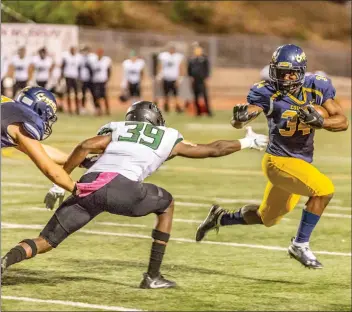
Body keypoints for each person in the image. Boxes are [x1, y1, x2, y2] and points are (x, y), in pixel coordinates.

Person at [1, 101, 268, 288]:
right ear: (155, 121)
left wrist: (61, 183)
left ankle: (6, 260)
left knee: (47, 239)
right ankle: (152, 276)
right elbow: (214, 149)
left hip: (89, 186)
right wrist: (247, 141)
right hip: (122, 188)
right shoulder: (166, 135)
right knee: (167, 204)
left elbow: (84, 147)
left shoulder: (117, 128)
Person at [195, 44, 349, 269]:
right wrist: (239, 119)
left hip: (300, 162)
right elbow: (247, 114)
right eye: (280, 71)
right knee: (324, 190)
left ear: (301, 71)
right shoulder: (266, 91)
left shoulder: (317, 85)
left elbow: (342, 121)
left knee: (266, 218)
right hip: (278, 161)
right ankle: (300, 245)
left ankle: (220, 218)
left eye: (290, 72)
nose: (285, 77)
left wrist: (321, 122)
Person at [157, 44, 185, 113]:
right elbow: (160, 66)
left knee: (176, 95)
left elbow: (181, 67)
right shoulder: (164, 56)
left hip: (174, 78)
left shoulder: (178, 57)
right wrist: (159, 76)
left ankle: (177, 107)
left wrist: (180, 78)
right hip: (166, 78)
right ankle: (166, 107)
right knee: (165, 94)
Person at [187, 44, 212, 116]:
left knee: (204, 95)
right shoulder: (192, 60)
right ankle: (198, 111)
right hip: (195, 80)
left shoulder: (204, 59)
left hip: (202, 80)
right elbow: (189, 70)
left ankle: (208, 111)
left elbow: (207, 69)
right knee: (195, 96)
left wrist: (206, 78)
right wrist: (191, 78)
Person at [91, 48, 112, 115]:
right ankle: (99, 109)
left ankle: (107, 110)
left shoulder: (106, 60)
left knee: (104, 96)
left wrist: (108, 79)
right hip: (96, 80)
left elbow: (109, 70)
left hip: (103, 80)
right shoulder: (93, 61)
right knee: (96, 96)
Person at [61, 47, 80, 115]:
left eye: (74, 50)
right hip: (68, 76)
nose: (73, 51)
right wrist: (62, 75)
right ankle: (69, 108)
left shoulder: (78, 57)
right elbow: (63, 66)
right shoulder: (66, 57)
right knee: (68, 93)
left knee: (76, 93)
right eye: (71, 50)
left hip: (75, 76)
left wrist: (79, 76)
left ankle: (77, 108)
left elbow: (79, 67)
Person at [79, 45, 96, 113]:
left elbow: (93, 68)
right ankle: (83, 108)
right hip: (84, 79)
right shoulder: (80, 58)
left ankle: (95, 107)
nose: (85, 52)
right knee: (83, 94)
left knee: (93, 93)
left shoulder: (92, 57)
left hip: (91, 79)